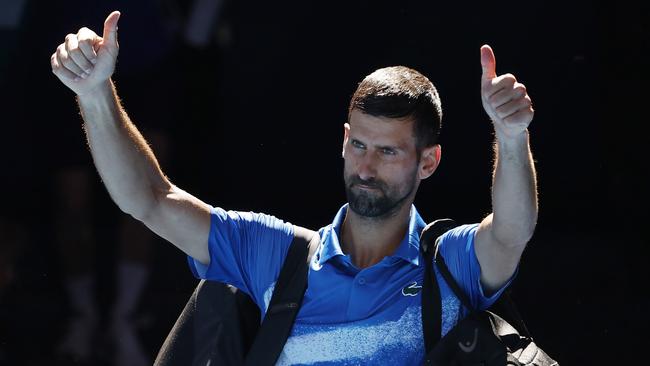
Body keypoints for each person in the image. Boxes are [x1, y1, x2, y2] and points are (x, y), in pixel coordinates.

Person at [51, 10, 537, 365]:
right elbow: (150, 200)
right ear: (344, 142)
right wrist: (94, 94)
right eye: (361, 145)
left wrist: (512, 138)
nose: (366, 166)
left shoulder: (449, 265)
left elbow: (511, 232)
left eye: (388, 152)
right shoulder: (275, 254)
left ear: (428, 162)